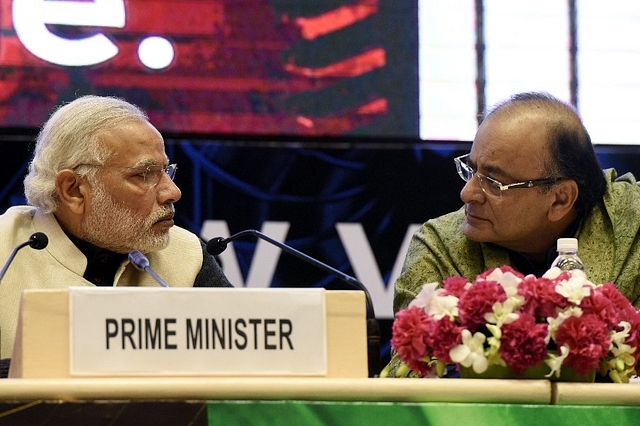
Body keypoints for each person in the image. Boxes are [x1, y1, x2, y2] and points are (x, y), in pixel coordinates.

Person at [384, 91, 640, 377]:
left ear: (559, 199)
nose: (466, 193)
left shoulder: (634, 225)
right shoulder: (438, 247)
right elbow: (409, 370)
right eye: (471, 169)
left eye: (493, 182)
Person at [0, 95, 233, 364]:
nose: (173, 192)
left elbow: (243, 364)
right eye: (144, 175)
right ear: (73, 190)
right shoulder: (6, 249)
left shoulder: (186, 255)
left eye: (166, 171)